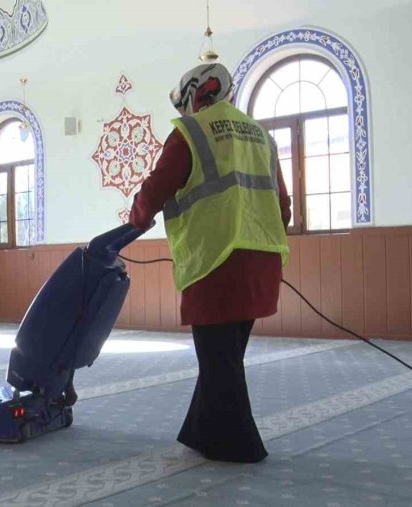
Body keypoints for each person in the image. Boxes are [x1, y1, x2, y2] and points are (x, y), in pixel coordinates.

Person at [129, 63, 291, 463]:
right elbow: (283, 207)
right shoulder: (262, 137)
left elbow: (156, 187)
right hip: (262, 261)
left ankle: (241, 447)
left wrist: (134, 220)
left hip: (216, 263)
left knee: (220, 361)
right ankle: (201, 433)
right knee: (225, 357)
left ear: (191, 97)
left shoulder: (190, 132)